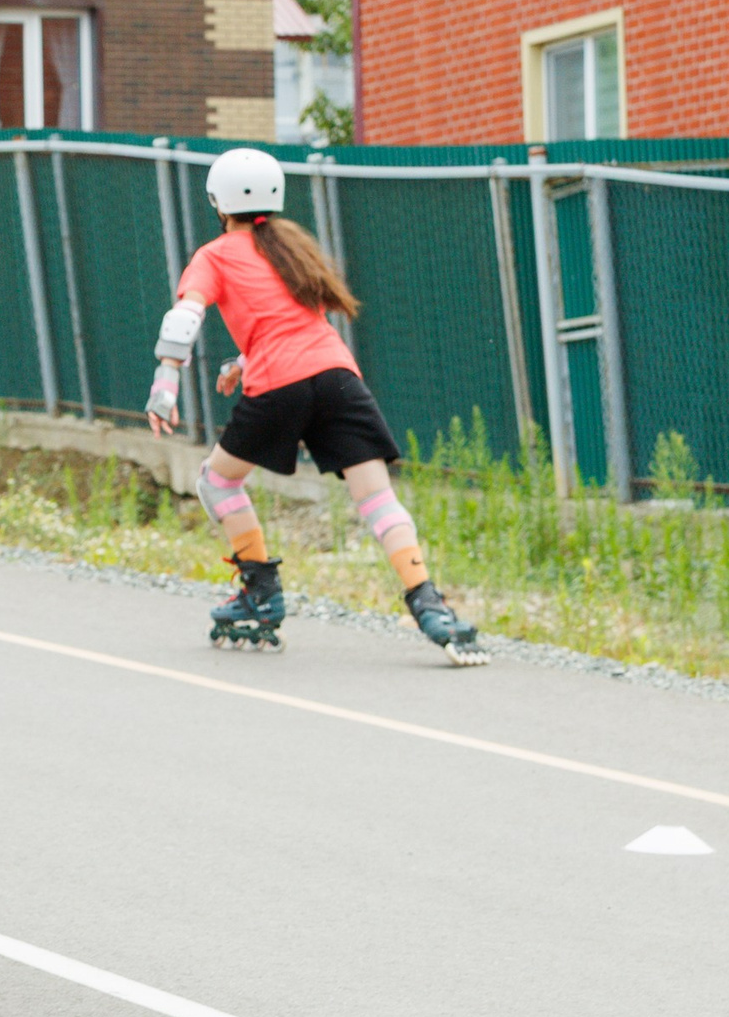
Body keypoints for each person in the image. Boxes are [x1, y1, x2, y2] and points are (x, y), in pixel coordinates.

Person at [146, 148, 485, 665]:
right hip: (336, 377)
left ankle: (260, 593)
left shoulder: (214, 255)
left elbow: (184, 318)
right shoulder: (292, 249)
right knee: (376, 499)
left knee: (218, 481)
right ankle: (429, 603)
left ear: (217, 201)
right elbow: (288, 321)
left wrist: (165, 381)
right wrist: (244, 357)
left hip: (281, 385)